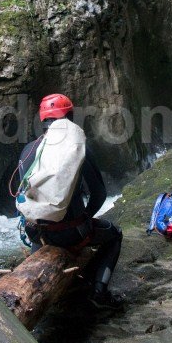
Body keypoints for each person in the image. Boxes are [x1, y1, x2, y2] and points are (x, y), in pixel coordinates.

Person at [18, 94, 124, 310]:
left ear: (42, 119)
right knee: (114, 235)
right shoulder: (77, 149)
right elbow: (99, 194)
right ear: (70, 117)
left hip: (36, 232)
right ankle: (99, 292)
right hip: (71, 232)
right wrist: (84, 218)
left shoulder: (28, 150)